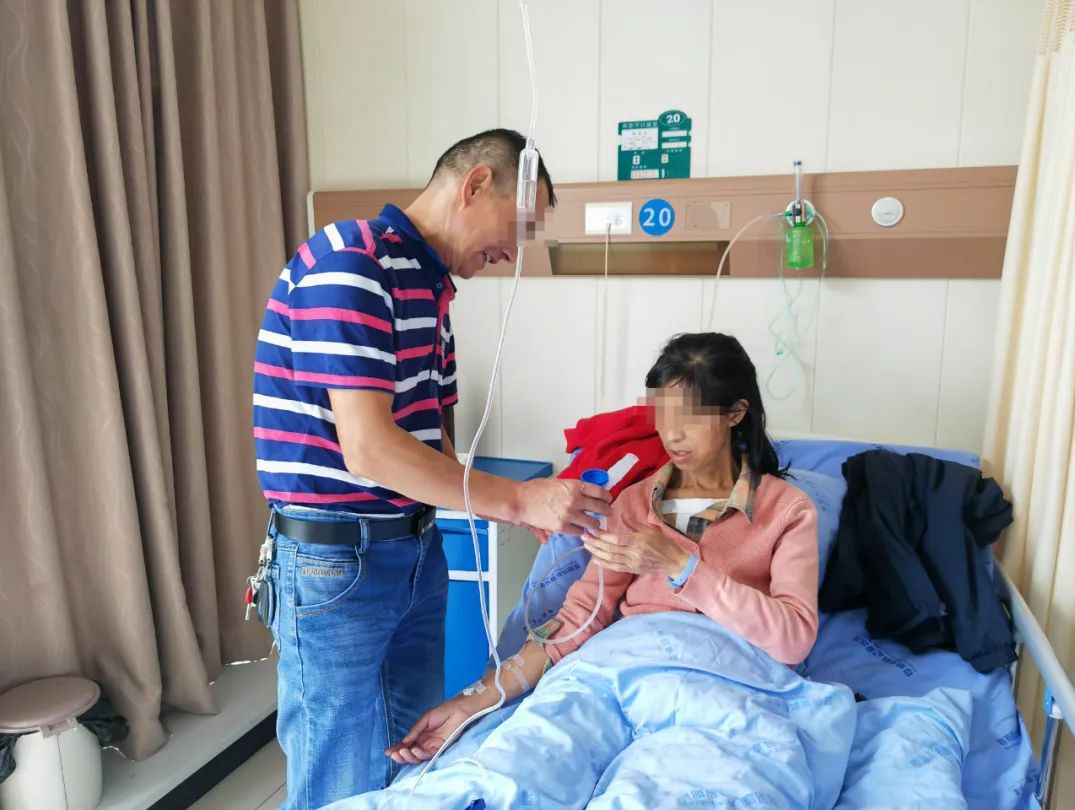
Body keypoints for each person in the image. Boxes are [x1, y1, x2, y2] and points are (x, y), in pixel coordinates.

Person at [251, 128, 612, 809]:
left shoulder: (431, 293)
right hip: (337, 566)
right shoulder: (350, 262)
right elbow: (369, 449)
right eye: (516, 230)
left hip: (414, 554)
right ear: (476, 184)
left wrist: (523, 508)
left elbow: (433, 446)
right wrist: (517, 500)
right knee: (338, 777)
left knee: (411, 760)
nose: (511, 255)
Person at [387, 332, 820, 768]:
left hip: (722, 686)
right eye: (663, 414)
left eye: (690, 416)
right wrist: (472, 700)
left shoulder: (786, 510)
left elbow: (794, 639)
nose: (672, 434)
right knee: (517, 766)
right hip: (620, 676)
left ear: (735, 412)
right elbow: (579, 618)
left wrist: (681, 565)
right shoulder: (634, 504)